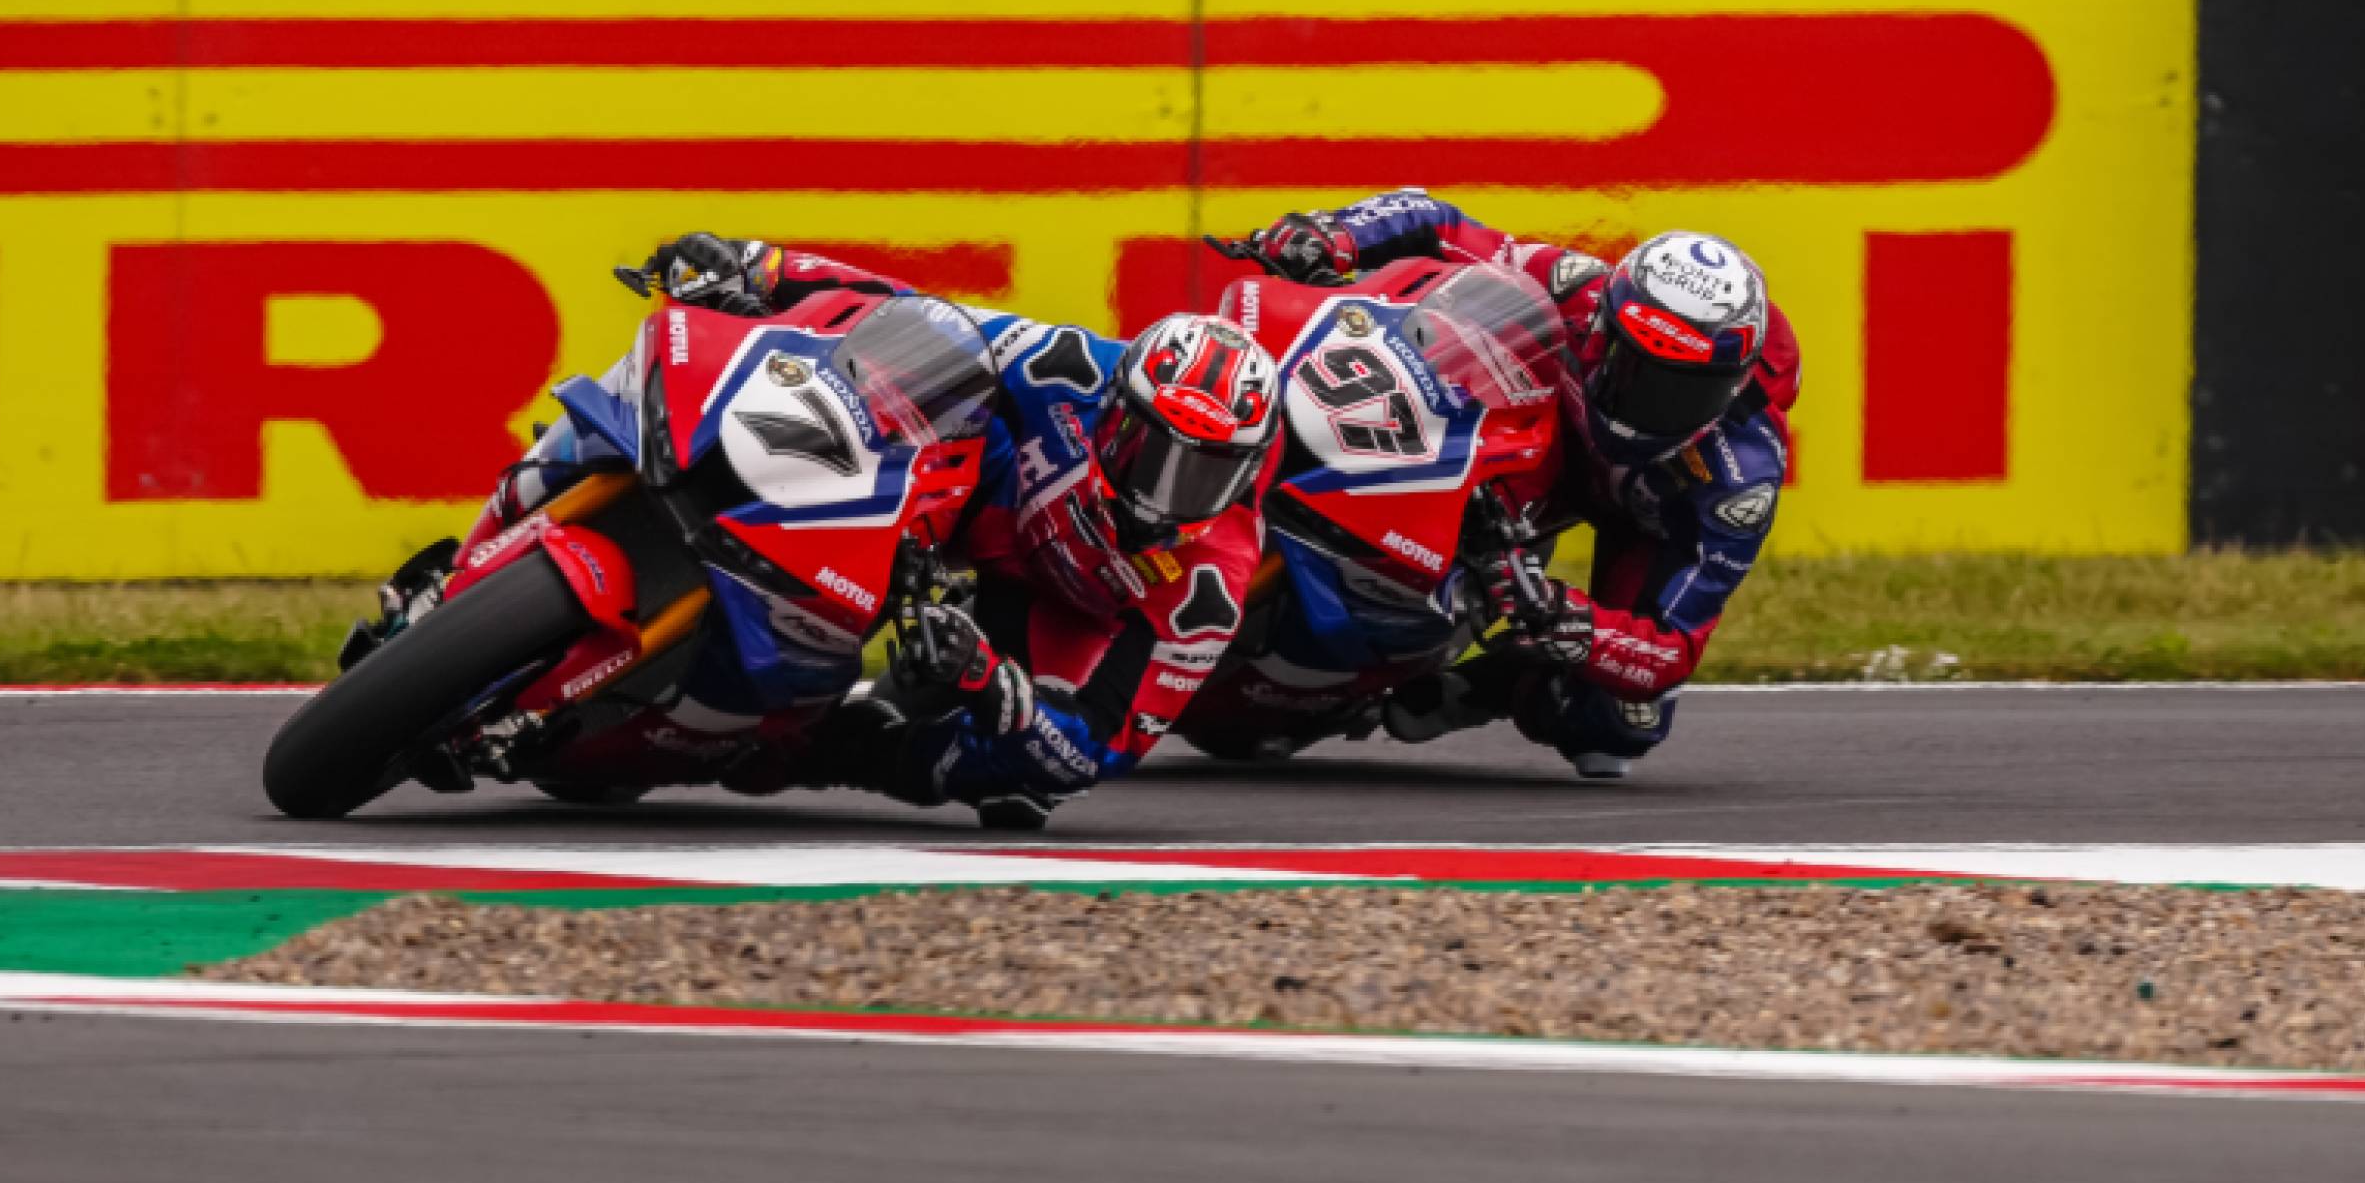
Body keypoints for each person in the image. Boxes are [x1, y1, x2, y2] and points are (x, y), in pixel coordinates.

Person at [620, 233, 1283, 828]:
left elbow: (1104, 745)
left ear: (1247, 468)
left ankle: (843, 751)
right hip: (974, 501)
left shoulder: (1208, 581)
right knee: (922, 374)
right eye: (1153, 452)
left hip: (1059, 616)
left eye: (1203, 471)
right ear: (1115, 408)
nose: (1164, 493)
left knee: (1027, 781)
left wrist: (989, 680)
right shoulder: (1069, 367)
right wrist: (758, 268)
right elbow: (908, 314)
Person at [1216, 191, 1798, 779]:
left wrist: (1558, 615)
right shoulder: (1581, 289)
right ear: (1602, 328)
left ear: (1729, 388)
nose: (1648, 403)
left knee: (1620, 722)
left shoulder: (1739, 480)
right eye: (1631, 367)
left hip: (1640, 520)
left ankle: (1483, 687)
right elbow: (1437, 221)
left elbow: (1670, 650)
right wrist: (1332, 234)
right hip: (1538, 441)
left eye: (1681, 390)